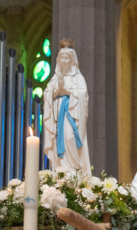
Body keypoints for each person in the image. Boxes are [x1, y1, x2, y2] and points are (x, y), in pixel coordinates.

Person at [43, 39, 90, 172]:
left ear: (72, 60)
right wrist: (57, 89)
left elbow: (83, 96)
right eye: (62, 58)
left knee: (70, 138)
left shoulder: (78, 78)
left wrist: (67, 91)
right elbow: (47, 95)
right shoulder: (54, 78)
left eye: (67, 58)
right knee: (59, 140)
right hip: (58, 115)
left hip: (72, 115)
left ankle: (74, 169)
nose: (64, 61)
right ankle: (61, 170)